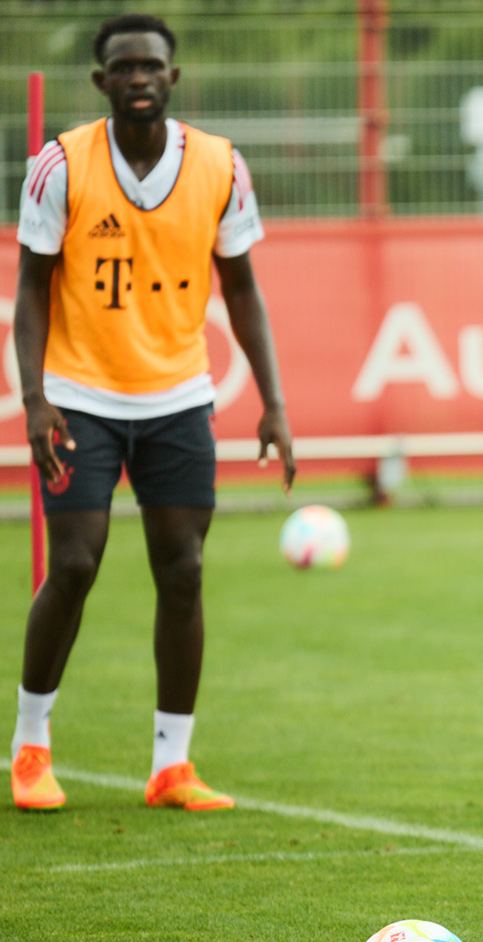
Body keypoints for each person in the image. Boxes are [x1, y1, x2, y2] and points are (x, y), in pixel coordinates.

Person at [10, 14, 295, 813]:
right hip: (79, 396)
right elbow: (31, 291)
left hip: (178, 397)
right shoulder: (59, 165)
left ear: (173, 77)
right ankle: (31, 748)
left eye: (153, 67)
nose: (139, 78)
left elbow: (241, 288)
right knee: (73, 564)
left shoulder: (220, 166)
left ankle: (172, 765)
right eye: (124, 68)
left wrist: (273, 402)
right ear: (101, 82)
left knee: (185, 569)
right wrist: (34, 400)